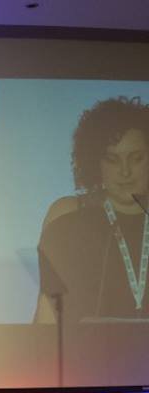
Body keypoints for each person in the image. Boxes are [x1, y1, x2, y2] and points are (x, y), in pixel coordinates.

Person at [36, 97, 149, 324]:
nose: (125, 171)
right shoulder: (67, 217)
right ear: (95, 162)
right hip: (84, 347)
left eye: (136, 158)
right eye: (112, 159)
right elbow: (47, 318)